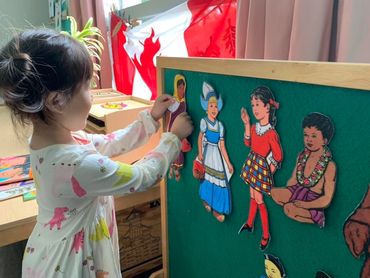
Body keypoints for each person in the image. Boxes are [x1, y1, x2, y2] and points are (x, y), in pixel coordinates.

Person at [0, 28, 193, 277]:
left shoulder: (52, 140)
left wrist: (151, 117)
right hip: (70, 263)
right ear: (57, 101)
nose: (92, 96)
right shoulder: (75, 164)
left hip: (50, 250)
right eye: (88, 88)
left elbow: (111, 142)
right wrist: (173, 138)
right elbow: (141, 176)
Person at [271, 112, 336, 228]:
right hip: (297, 190)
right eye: (306, 135)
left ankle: (317, 218)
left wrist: (306, 205)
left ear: (325, 140)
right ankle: (293, 205)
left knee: (288, 209)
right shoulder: (302, 156)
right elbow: (293, 181)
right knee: (274, 192)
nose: (309, 140)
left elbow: (327, 199)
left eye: (314, 136)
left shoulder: (330, 166)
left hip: (313, 200)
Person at [238, 86, 283, 251]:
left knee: (259, 199)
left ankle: (265, 234)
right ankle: (250, 223)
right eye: (253, 105)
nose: (255, 108)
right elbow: (247, 143)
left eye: (258, 104)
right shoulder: (254, 128)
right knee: (252, 194)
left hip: (261, 168)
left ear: (267, 107)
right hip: (252, 164)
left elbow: (278, 155)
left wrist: (268, 172)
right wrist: (247, 123)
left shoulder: (271, 133)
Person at [197, 82, 233, 222]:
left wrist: (228, 163)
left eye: (216, 106)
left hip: (217, 155)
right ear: (206, 108)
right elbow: (200, 138)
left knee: (219, 180)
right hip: (208, 154)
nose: (214, 108)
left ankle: (218, 209)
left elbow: (222, 146)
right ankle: (206, 200)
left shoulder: (220, 125)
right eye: (211, 106)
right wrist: (200, 153)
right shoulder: (204, 122)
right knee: (207, 179)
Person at [166, 74, 191, 181]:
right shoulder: (174, 102)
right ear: (176, 88)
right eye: (180, 88)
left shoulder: (183, 101)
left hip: (181, 129)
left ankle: (175, 169)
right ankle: (173, 168)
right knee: (173, 148)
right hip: (174, 128)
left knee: (179, 150)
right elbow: (168, 110)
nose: (182, 90)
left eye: (183, 87)